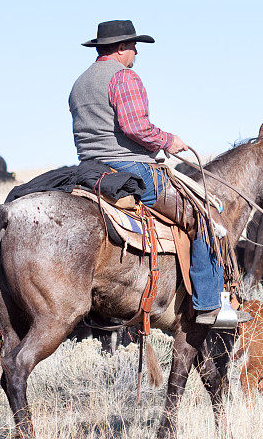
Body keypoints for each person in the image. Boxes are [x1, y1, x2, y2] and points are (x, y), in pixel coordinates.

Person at [69, 19, 226, 324]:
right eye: (133, 46)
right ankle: (209, 304)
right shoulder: (124, 77)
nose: (136, 53)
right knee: (205, 215)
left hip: (89, 169)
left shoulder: (80, 83)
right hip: (129, 167)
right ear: (120, 48)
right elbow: (135, 127)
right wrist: (169, 141)